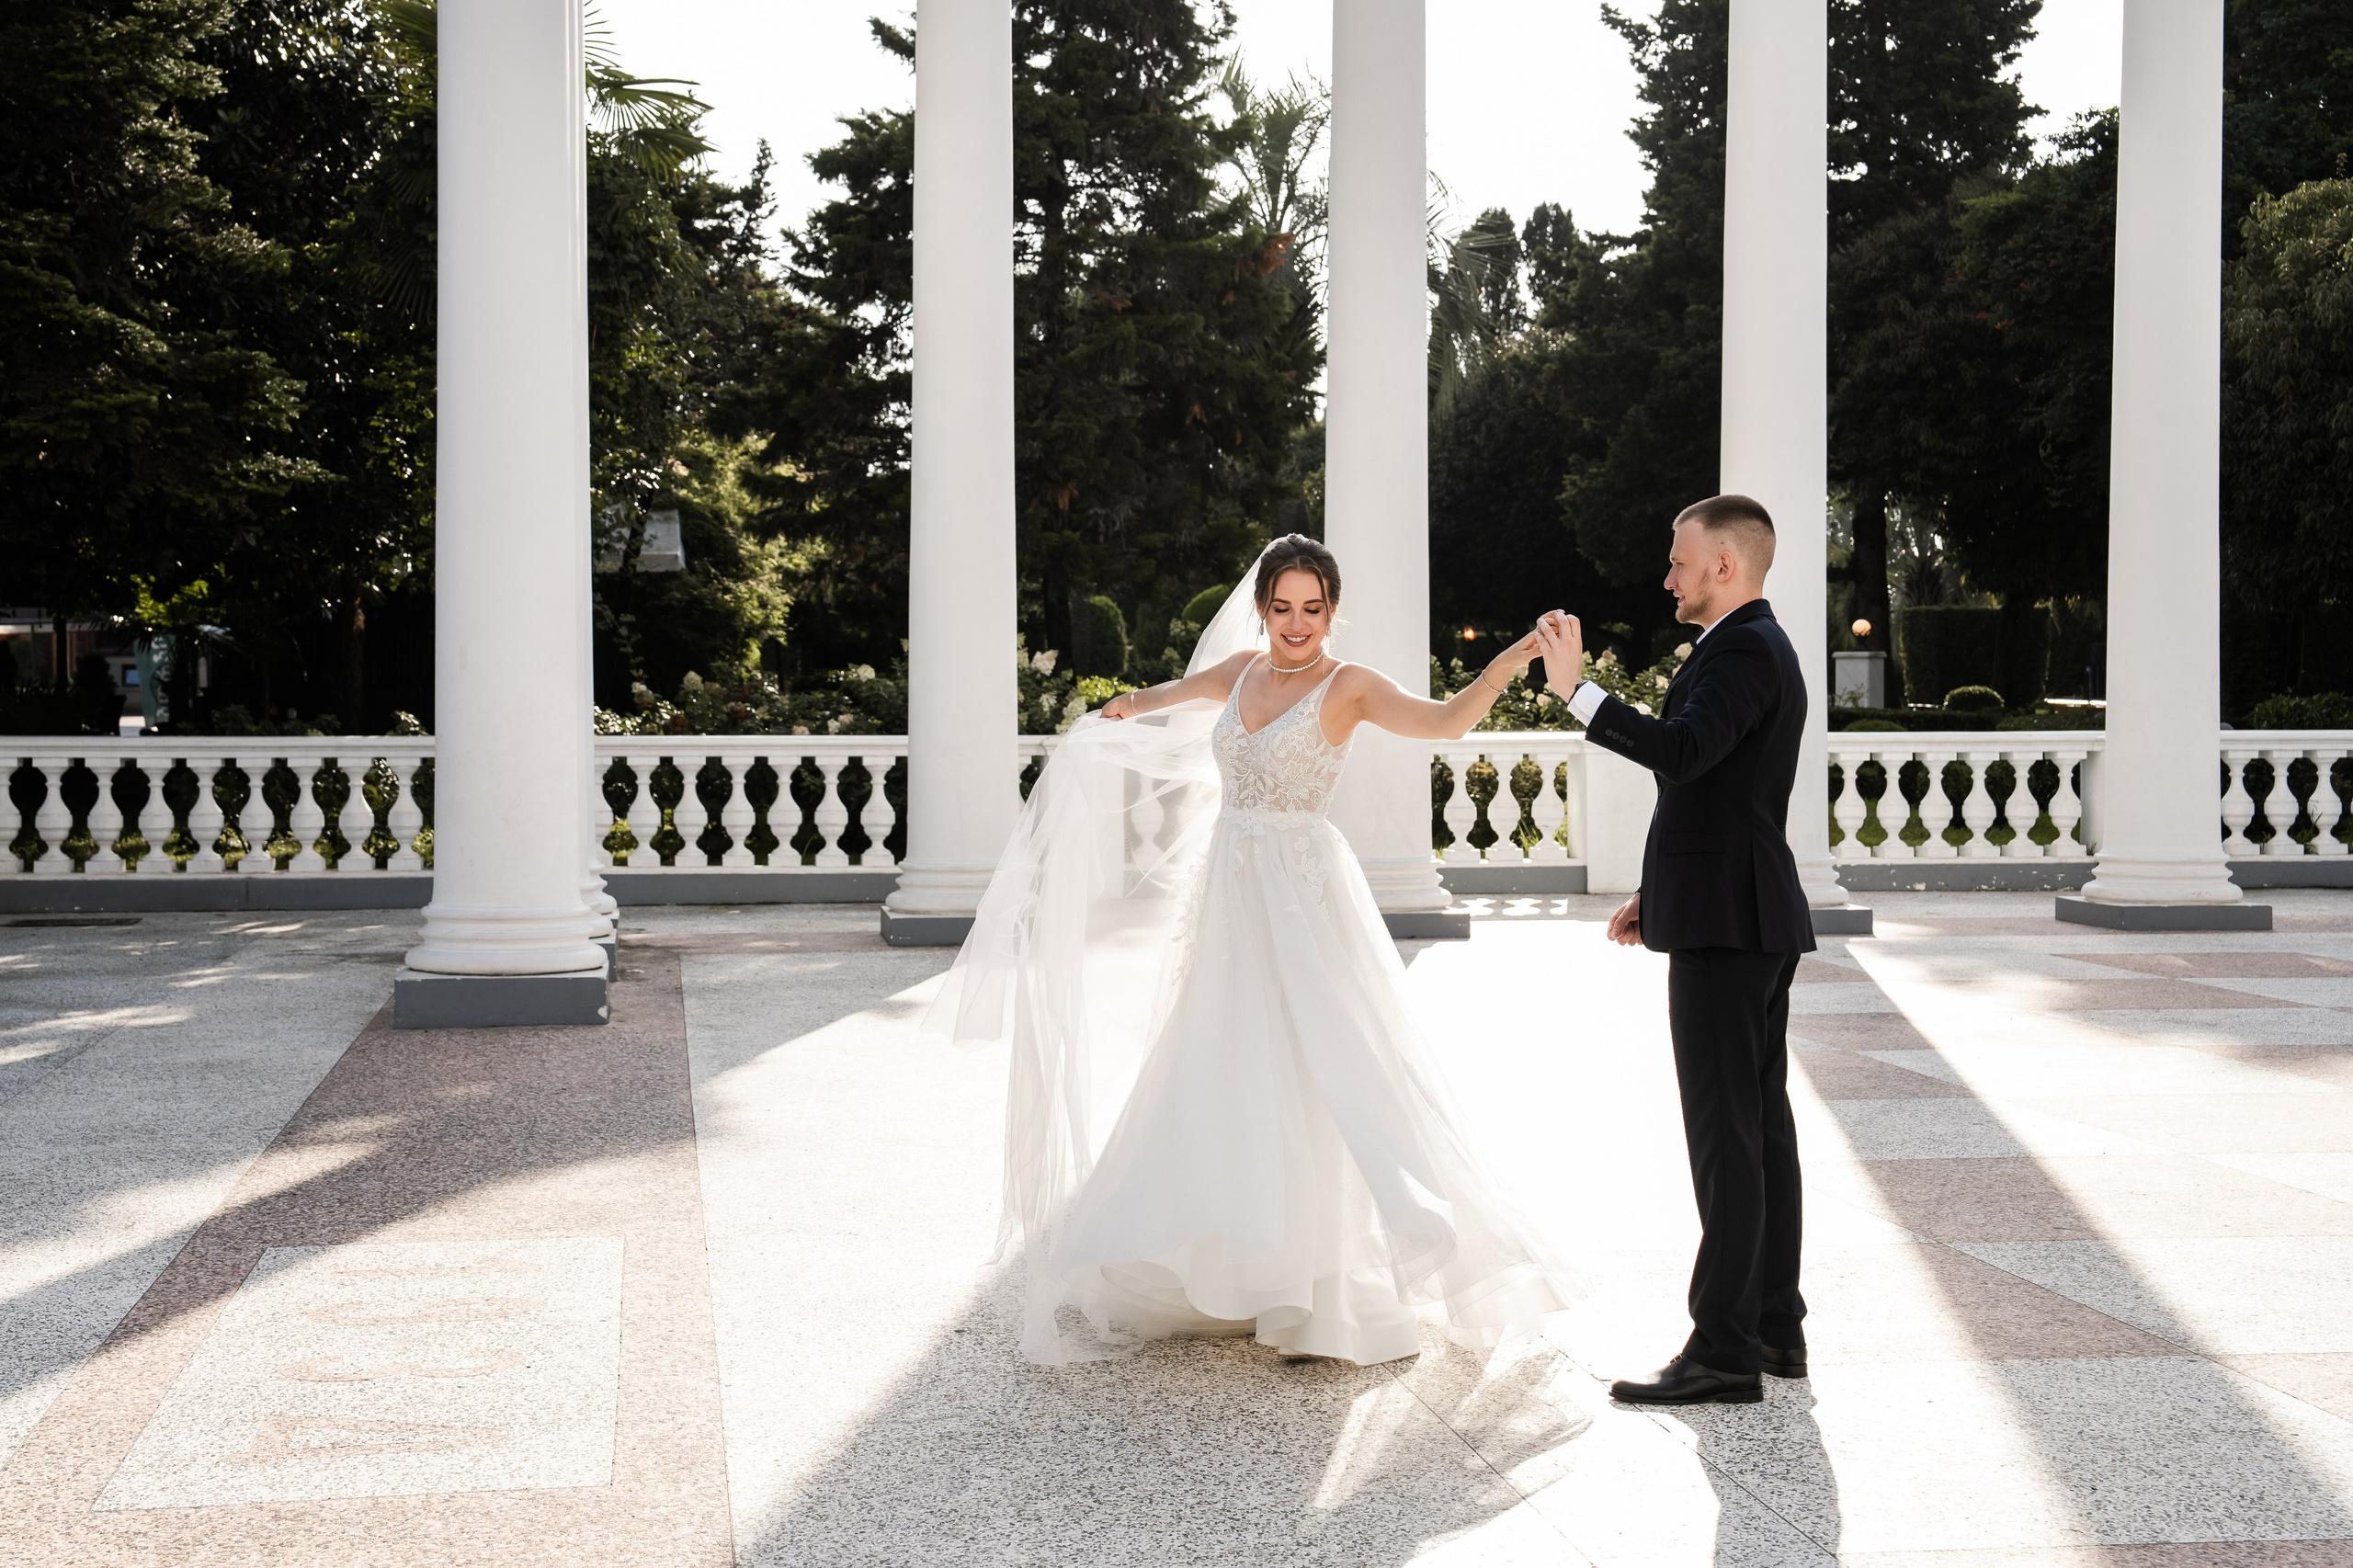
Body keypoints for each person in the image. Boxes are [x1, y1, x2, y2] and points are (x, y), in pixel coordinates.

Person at [928, 534, 1574, 1365]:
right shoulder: (1240, 673)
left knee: (1327, 1064)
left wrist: (1512, 660)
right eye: (1282, 608)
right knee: (1228, 1063)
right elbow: (1165, 696)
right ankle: (1245, 1263)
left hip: (1305, 895)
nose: (1297, 624)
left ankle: (1327, 1286)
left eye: (1313, 609)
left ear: (1331, 611)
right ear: (1263, 608)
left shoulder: (1352, 686)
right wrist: (1118, 708)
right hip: (1231, 894)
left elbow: (1446, 723)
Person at [1534, 494, 1813, 1406]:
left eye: (1678, 562)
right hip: (1733, 910)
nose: (1667, 577)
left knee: (1726, 1137)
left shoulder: (1742, 647)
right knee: (1759, 1127)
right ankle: (1774, 1326)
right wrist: (1662, 896)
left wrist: (1578, 690)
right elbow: (1714, 790)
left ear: (1724, 566)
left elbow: (1684, 752)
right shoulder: (1752, 646)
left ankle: (1724, 1347)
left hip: (1732, 924)